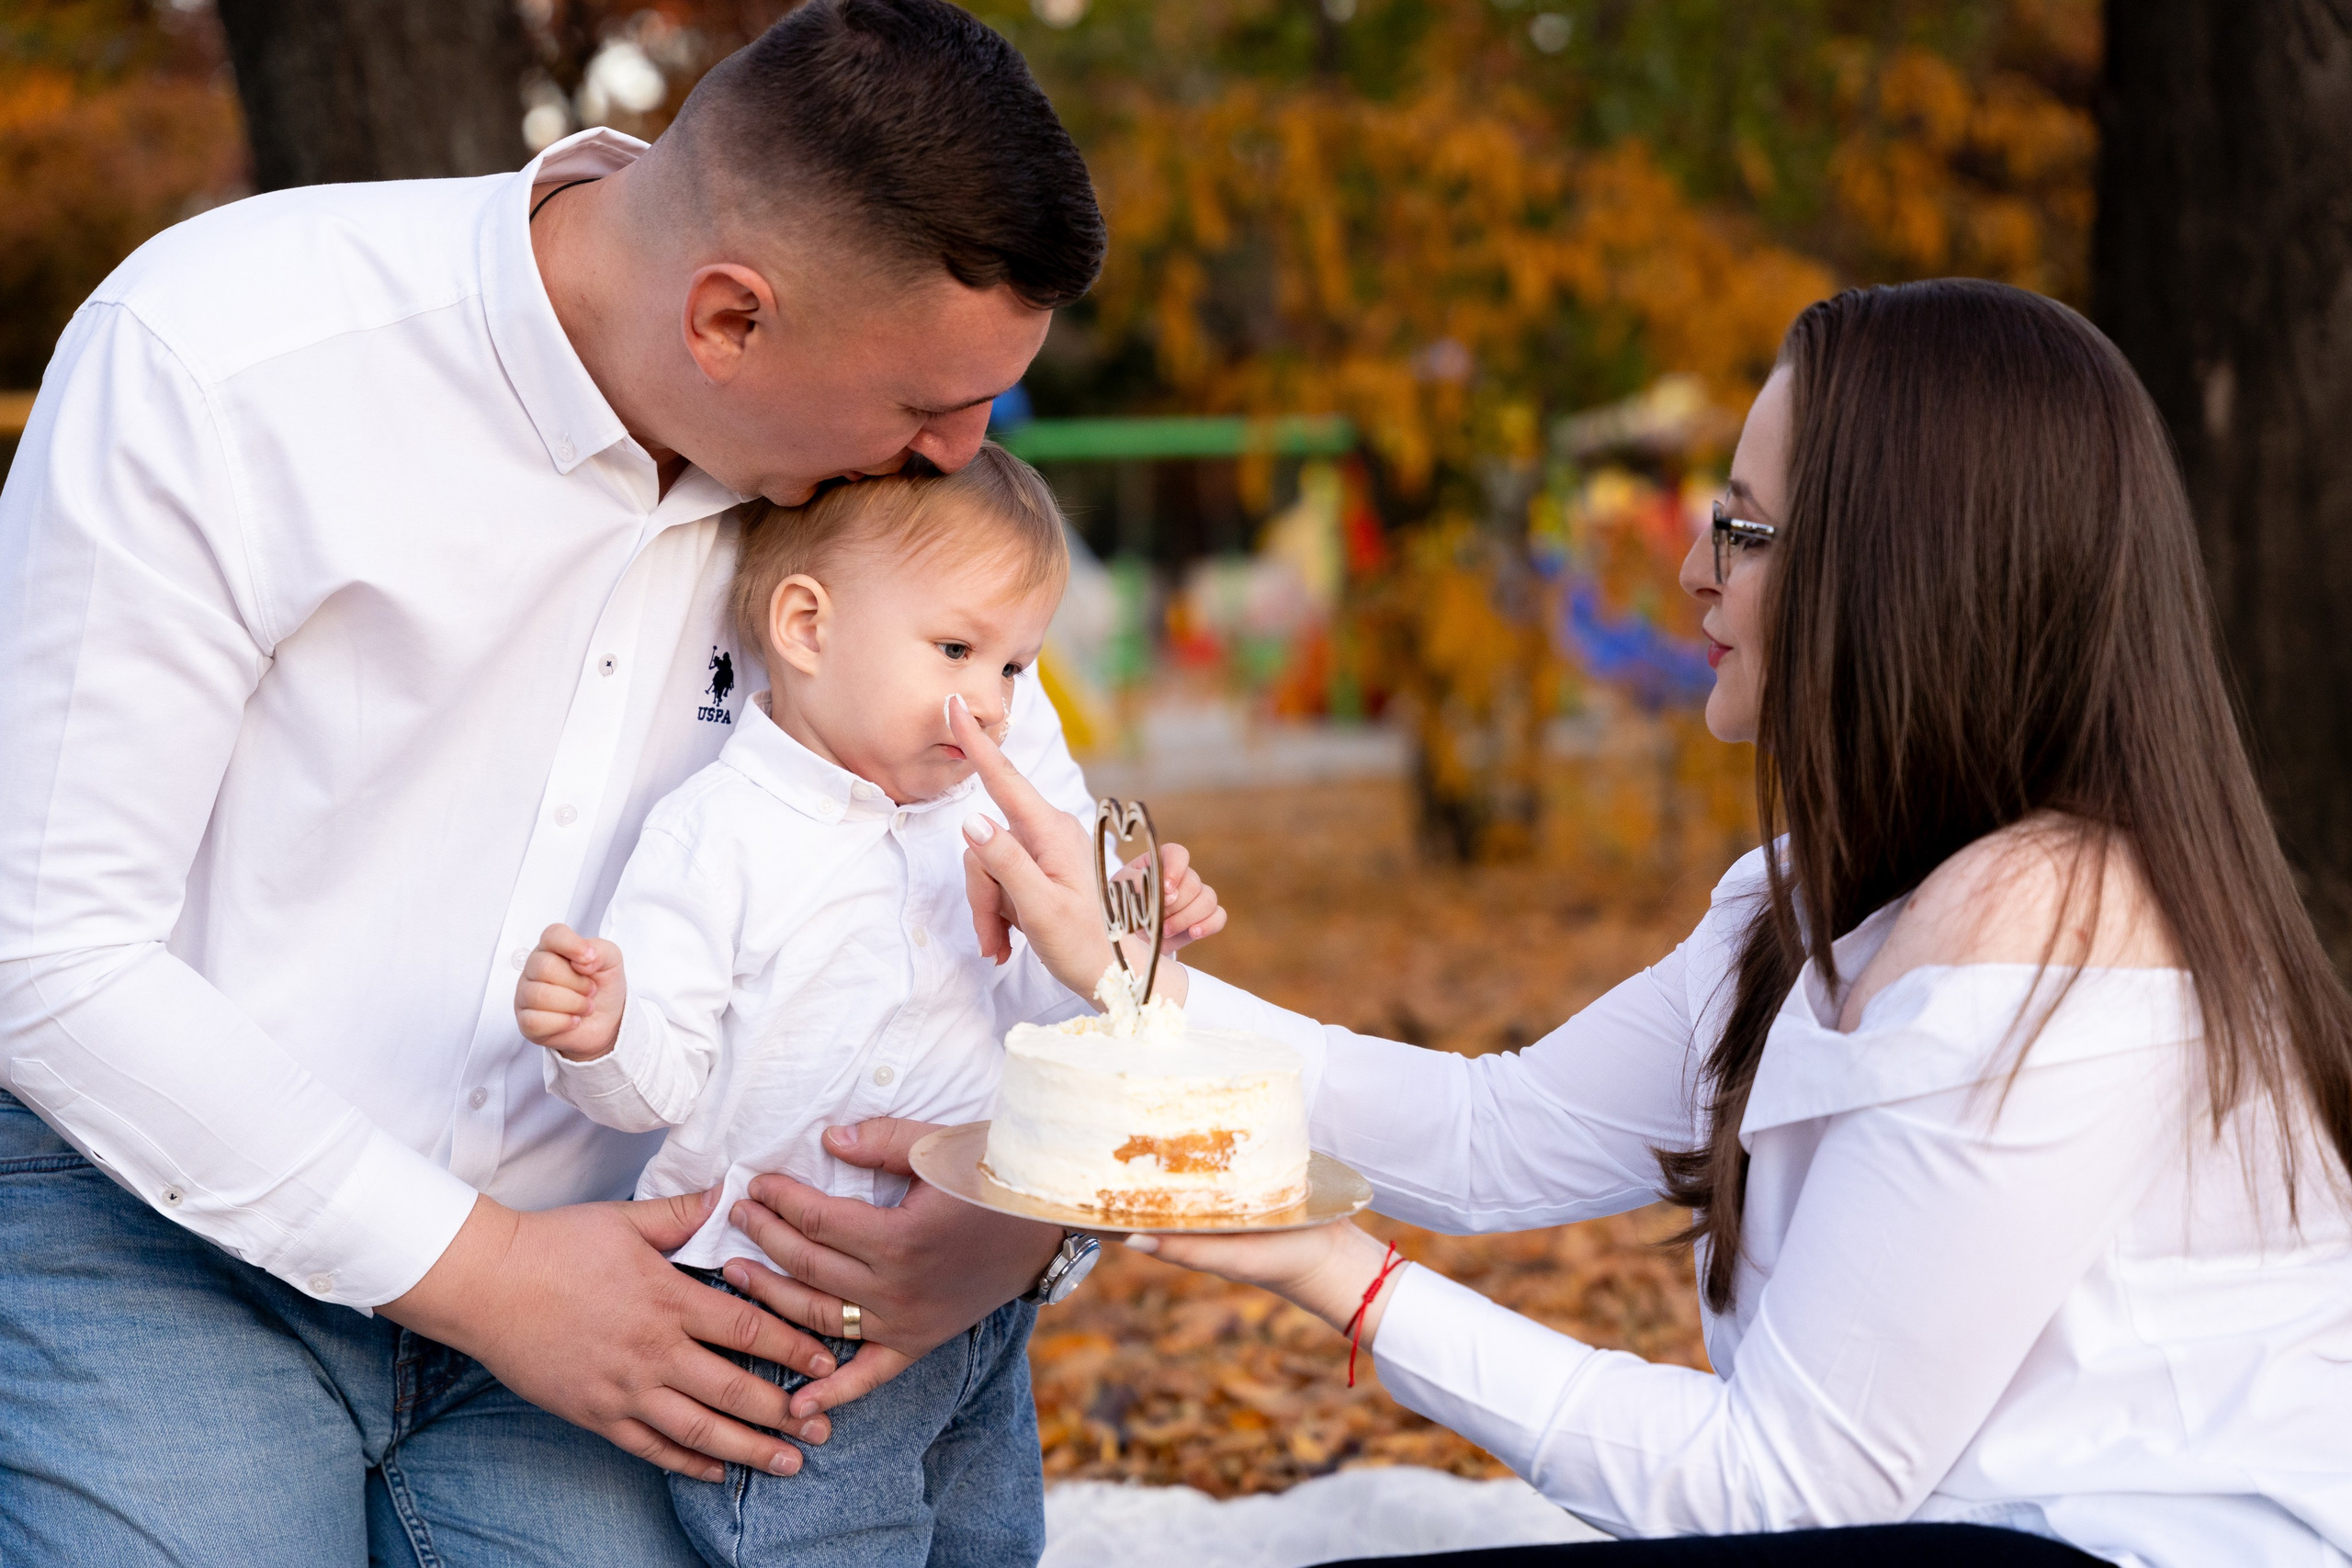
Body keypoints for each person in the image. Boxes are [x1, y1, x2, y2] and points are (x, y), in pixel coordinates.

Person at [799, 279, 2352, 1566]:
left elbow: (1783, 1496)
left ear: (1904, 577)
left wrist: (1341, 1277)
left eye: (1743, 530)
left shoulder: (2053, 923)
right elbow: (1486, 1138)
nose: (1692, 569)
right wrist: (1116, 972)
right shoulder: (1821, 896)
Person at [0, 3, 1107, 1562]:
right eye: (929, 404)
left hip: (640, 1262)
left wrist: (1020, 1234)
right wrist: (495, 1278)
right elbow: (43, 953)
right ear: (728, 320)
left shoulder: (858, 497)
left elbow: (1063, 880)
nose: (960, 453)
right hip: (162, 1219)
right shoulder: (225, 356)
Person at [512, 446, 1224, 1567]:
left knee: (990, 1537)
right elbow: (663, 1085)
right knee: (827, 1542)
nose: (989, 700)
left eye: (1015, 669)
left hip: (974, 1300)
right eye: (957, 651)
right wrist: (602, 1033)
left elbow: (1060, 1015)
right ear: (806, 627)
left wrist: (1130, 935)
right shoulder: (719, 836)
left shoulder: (983, 828)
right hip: (786, 1317)